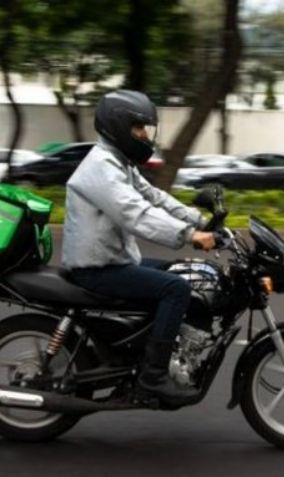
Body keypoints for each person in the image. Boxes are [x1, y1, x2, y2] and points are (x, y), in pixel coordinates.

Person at [62, 90, 216, 407]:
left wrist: (201, 221)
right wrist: (190, 235)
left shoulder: (119, 163)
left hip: (114, 260)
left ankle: (159, 349)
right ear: (118, 126)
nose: (144, 135)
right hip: (97, 269)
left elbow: (155, 198)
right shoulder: (101, 168)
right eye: (139, 128)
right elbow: (137, 214)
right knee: (175, 289)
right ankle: (153, 378)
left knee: (183, 272)